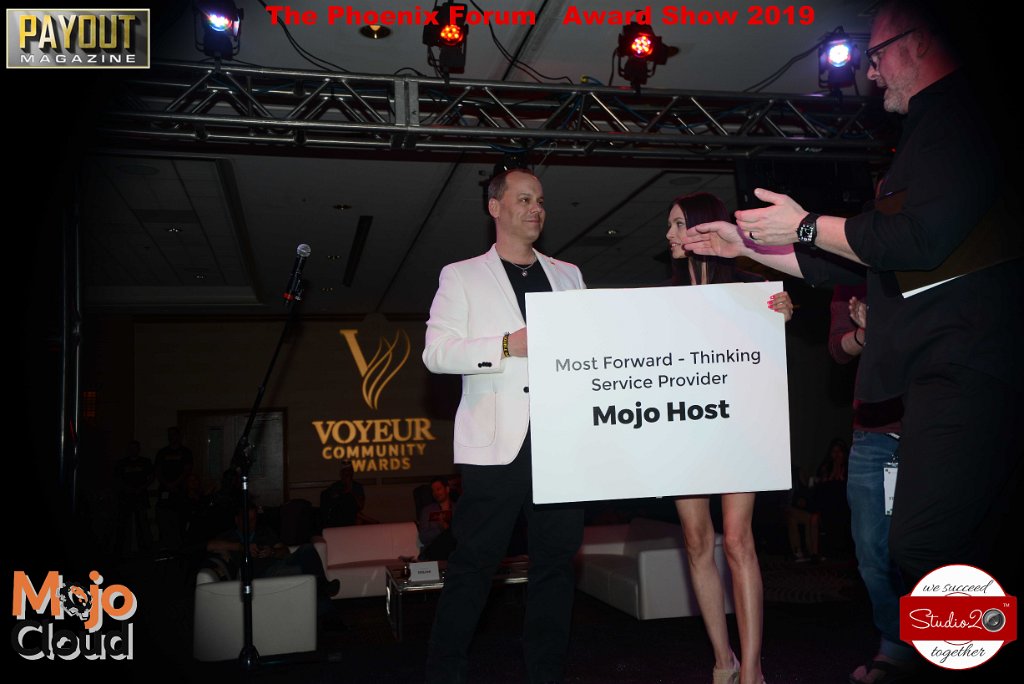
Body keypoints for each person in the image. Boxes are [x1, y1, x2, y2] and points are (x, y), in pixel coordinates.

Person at [681, 0, 1023, 590]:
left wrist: (806, 224)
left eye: (877, 54)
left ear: (921, 41)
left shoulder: (961, 116)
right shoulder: (926, 132)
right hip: (947, 367)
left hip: (969, 362)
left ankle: (969, 637)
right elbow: (845, 258)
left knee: (926, 541)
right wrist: (742, 245)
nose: (869, 72)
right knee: (942, 542)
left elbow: (914, 238)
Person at [422, 168, 585, 684]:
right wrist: (507, 346)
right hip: (496, 446)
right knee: (473, 564)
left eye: (540, 201)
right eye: (524, 199)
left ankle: (546, 672)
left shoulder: (568, 274)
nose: (536, 209)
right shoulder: (462, 276)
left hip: (561, 443)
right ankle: (444, 673)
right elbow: (436, 354)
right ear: (495, 208)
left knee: (555, 566)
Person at [666, 192, 792, 684]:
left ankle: (753, 668)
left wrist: (779, 312)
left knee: (738, 540)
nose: (670, 235)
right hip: (683, 429)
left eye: (678, 224)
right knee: (696, 540)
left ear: (702, 227)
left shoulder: (749, 290)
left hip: (738, 426)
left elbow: (764, 355)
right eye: (670, 226)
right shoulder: (661, 302)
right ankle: (723, 661)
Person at [829, 285, 916, 683]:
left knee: (940, 544)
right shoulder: (848, 278)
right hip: (874, 434)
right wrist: (866, 333)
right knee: (872, 552)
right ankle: (896, 645)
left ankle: (956, 645)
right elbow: (838, 348)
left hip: (939, 428)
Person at [418, 477, 457, 561]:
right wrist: (440, 529)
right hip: (434, 551)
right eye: (433, 491)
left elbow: (464, 534)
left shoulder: (458, 509)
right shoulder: (427, 511)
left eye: (438, 489)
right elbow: (423, 537)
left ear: (447, 489)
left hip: (454, 551)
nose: (436, 493)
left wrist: (448, 529)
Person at [320, 461, 366, 528]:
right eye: (345, 471)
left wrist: (350, 491)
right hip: (338, 517)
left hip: (353, 516)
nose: (347, 474)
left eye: (349, 471)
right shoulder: (335, 486)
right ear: (341, 473)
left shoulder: (357, 486)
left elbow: (360, 506)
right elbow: (331, 505)